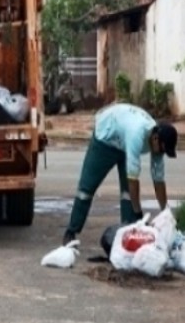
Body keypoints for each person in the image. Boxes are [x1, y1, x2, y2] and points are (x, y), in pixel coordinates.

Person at [62, 103, 178, 245]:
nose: (160, 154)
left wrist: (166, 213)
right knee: (87, 188)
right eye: (161, 150)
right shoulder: (137, 134)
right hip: (105, 139)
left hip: (123, 143)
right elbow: (133, 178)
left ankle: (130, 232)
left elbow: (158, 179)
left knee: (127, 194)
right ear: (155, 139)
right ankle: (71, 231)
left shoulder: (158, 143)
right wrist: (138, 212)